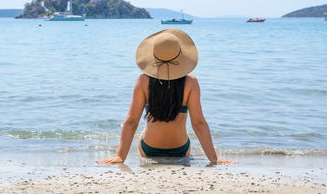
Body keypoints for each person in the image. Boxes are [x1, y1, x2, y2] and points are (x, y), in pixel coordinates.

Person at [97, 29, 235, 164]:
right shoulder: (191, 83)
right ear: (181, 56)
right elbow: (199, 124)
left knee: (143, 132)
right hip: (181, 149)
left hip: (149, 148)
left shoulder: (143, 81)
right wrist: (214, 159)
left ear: (154, 56)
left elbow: (131, 122)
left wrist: (120, 156)